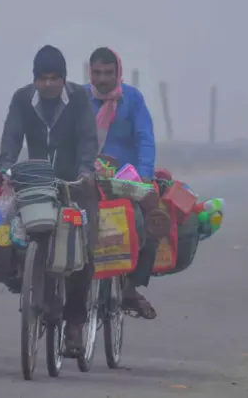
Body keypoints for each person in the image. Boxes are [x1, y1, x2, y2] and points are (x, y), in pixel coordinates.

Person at [0, 45, 99, 352]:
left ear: (64, 79)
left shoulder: (79, 98)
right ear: (35, 79)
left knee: (82, 250)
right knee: (16, 234)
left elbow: (88, 138)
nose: (49, 84)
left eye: (55, 78)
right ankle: (28, 281)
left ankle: (75, 324)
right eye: (43, 78)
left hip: (75, 184)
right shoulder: (22, 100)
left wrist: (86, 171)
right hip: (36, 182)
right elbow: (11, 136)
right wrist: (5, 168)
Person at [85, 47, 159, 319]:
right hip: (87, 177)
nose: (102, 79)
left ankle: (129, 288)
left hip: (126, 180)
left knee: (143, 224)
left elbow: (145, 139)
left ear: (118, 73)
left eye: (108, 73)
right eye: (97, 73)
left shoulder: (133, 100)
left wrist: (145, 178)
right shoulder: (79, 99)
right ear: (89, 73)